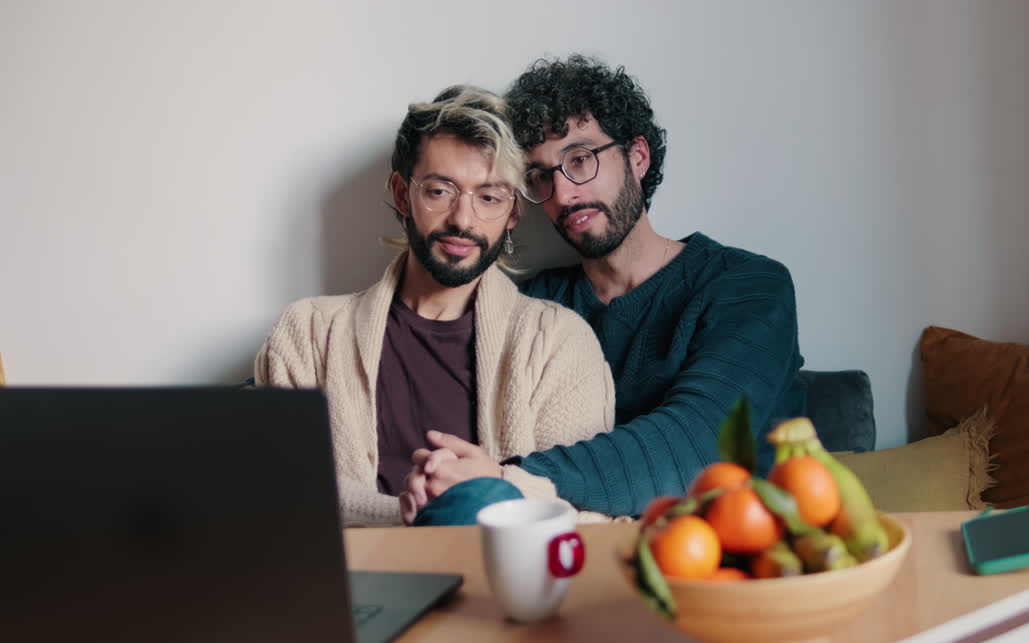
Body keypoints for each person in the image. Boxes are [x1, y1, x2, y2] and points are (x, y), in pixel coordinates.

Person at [413, 56, 806, 518]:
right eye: (540, 176)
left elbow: (699, 447)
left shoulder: (749, 286)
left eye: (580, 159)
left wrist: (506, 479)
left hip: (729, 556)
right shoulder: (536, 306)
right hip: (569, 550)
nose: (562, 193)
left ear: (638, 157)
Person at [255, 85, 614, 527]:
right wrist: (419, 515)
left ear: (513, 212)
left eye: (489, 197)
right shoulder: (307, 334)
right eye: (440, 191)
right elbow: (281, 494)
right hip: (348, 588)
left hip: (500, 591)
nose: (463, 220)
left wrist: (481, 493)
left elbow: (580, 513)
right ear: (403, 195)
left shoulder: (558, 342)